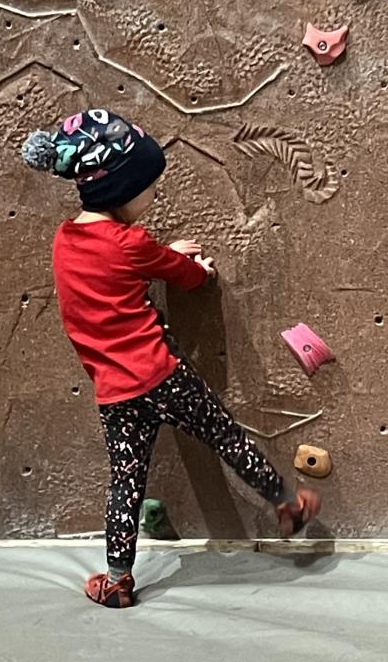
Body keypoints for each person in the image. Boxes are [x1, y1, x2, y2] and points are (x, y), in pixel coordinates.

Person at [20, 108, 320, 608]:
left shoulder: (66, 241)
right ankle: (287, 505)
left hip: (114, 393)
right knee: (226, 437)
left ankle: (117, 578)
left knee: (126, 482)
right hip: (163, 375)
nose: (153, 197)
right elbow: (185, 275)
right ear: (122, 189)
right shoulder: (131, 242)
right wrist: (194, 266)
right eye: (149, 189)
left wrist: (158, 254)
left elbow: (117, 271)